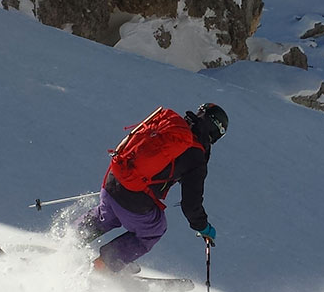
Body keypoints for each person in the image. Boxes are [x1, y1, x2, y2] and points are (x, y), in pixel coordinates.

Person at [76, 103, 227, 272]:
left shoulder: (169, 124)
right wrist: (203, 227)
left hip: (114, 178)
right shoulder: (196, 156)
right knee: (154, 229)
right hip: (135, 199)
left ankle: (68, 239)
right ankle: (106, 263)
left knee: (108, 214)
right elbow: (191, 204)